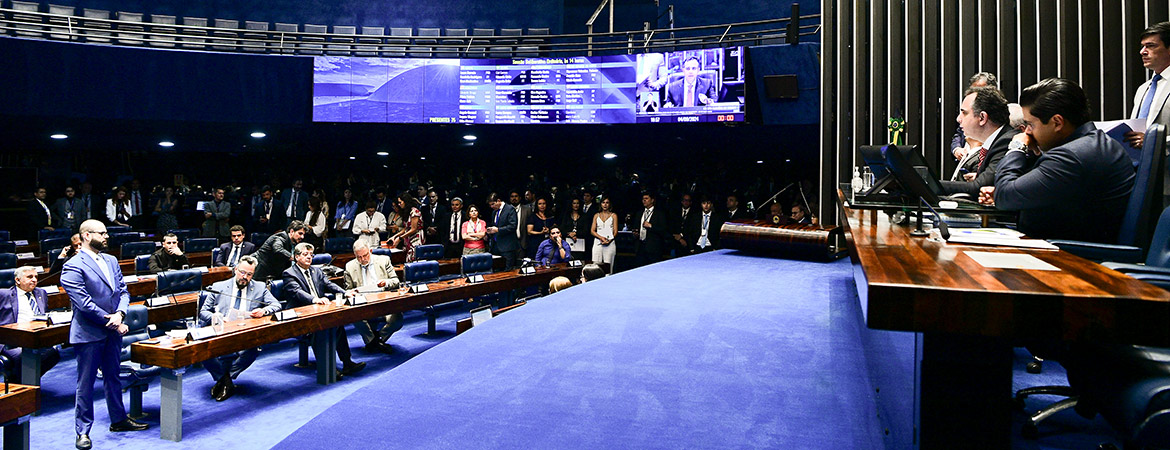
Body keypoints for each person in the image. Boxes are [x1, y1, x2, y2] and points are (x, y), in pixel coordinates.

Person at [980, 78, 1135, 243]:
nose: (1028, 132)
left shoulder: (1072, 156)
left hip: (1074, 257)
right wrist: (1018, 192)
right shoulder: (1091, 144)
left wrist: (1017, 147)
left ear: (1057, 122)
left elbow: (1005, 195)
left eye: (1031, 124)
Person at [60, 219, 149, 450]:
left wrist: (120, 313)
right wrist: (111, 321)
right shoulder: (72, 265)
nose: (107, 236)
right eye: (102, 233)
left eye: (106, 232)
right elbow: (83, 303)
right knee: (86, 383)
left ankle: (118, 420)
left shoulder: (110, 260)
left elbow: (123, 291)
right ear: (87, 236)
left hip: (113, 328)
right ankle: (83, 431)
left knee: (113, 376)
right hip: (89, 332)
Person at [197, 255, 281, 401]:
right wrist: (216, 318)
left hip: (245, 331)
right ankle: (224, 380)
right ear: (235, 270)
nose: (245, 277)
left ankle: (225, 379)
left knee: (253, 349)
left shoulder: (260, 287)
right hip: (222, 330)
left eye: (249, 274)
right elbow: (203, 312)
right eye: (242, 272)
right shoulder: (218, 286)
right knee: (202, 350)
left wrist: (263, 311)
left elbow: (276, 305)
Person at [281, 243, 366, 377]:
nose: (309, 257)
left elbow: (329, 284)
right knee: (319, 328)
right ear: (296, 257)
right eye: (305, 254)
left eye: (311, 254)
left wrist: (345, 293)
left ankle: (347, 363)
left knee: (338, 325)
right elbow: (297, 292)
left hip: (318, 311)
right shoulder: (289, 273)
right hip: (300, 315)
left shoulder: (317, 271)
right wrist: (314, 299)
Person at [940, 86, 1018, 197]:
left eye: (964, 113)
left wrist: (927, 184)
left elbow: (978, 187)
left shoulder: (1006, 142)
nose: (958, 119)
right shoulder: (997, 140)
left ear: (982, 118)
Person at [0, 266, 62, 379]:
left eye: (36, 277)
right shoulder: (4, 294)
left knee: (54, 354)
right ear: (17, 280)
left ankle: (27, 382)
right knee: (23, 356)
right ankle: (24, 384)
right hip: (12, 340)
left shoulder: (41, 293)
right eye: (29, 277)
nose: (34, 280)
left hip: (36, 336)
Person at [343, 240, 402, 354]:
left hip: (383, 300)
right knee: (354, 315)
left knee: (397, 319)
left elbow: (396, 281)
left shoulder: (383, 260)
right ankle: (374, 342)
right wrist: (352, 292)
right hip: (363, 302)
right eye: (358, 257)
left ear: (370, 251)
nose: (362, 259)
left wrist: (385, 282)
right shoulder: (350, 266)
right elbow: (348, 290)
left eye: (365, 255)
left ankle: (376, 340)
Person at [1126, 21, 1170, 150]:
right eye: (1143, 46)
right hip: (1140, 165)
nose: (1142, 52)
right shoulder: (1143, 88)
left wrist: (1153, 141)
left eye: (1151, 46)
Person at [949, 72, 999, 175]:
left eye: (980, 92)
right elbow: (958, 134)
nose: (959, 119)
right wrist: (957, 149)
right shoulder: (968, 109)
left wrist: (975, 148)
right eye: (973, 90)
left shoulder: (997, 118)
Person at [486, 192, 520, 269]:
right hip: (496, 246)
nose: (491, 206)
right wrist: (490, 230)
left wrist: (498, 230)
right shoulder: (494, 212)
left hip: (507, 246)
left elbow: (512, 226)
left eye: (493, 204)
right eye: (490, 205)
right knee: (496, 270)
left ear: (498, 200)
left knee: (507, 271)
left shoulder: (510, 209)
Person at [389, 193, 424, 262]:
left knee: (414, 259)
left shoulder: (414, 212)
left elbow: (413, 229)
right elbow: (406, 228)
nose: (399, 204)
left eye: (400, 202)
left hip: (416, 239)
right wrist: (395, 236)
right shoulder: (407, 212)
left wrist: (400, 238)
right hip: (408, 240)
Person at [635, 192, 667, 266]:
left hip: (654, 248)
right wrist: (635, 233)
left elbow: (663, 230)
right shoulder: (639, 213)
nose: (644, 200)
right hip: (640, 246)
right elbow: (636, 227)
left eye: (646, 198)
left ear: (652, 200)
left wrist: (651, 226)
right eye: (643, 199)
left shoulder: (659, 214)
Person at [590, 197, 618, 270]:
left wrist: (609, 240)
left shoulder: (613, 215)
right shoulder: (596, 215)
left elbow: (615, 231)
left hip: (610, 243)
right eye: (603, 202)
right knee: (595, 265)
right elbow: (592, 230)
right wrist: (601, 238)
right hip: (597, 242)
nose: (605, 204)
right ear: (600, 204)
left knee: (609, 267)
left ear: (609, 204)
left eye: (607, 202)